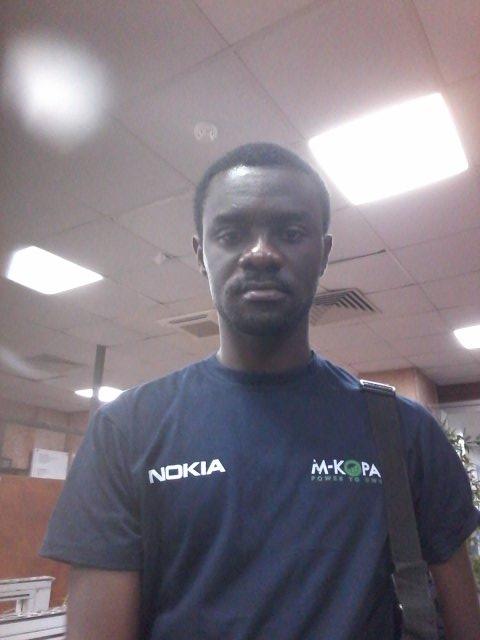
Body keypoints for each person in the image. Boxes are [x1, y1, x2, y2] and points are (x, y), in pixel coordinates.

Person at [40, 143, 480, 640]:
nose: (261, 253)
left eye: (290, 233)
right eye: (231, 234)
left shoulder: (403, 432)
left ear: (323, 254)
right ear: (201, 255)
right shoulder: (125, 432)